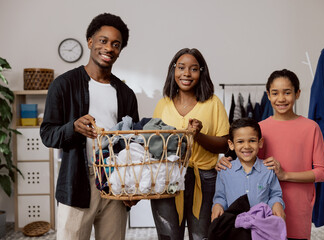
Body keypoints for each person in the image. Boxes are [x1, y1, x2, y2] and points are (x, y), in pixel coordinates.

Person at [40, 13, 139, 240]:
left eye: (116, 44)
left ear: (120, 50)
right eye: (103, 41)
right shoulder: (63, 85)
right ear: (90, 42)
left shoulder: (126, 94)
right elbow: (47, 134)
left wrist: (131, 186)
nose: (109, 48)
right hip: (77, 181)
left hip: (115, 182)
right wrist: (72, 128)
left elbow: (134, 144)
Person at [216, 69, 324, 240]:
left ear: (297, 94)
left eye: (287, 92)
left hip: (297, 205)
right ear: (268, 95)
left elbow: (322, 172)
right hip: (261, 209)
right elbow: (247, 158)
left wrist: (285, 175)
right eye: (275, 93)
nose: (281, 98)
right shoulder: (260, 128)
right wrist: (225, 161)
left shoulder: (311, 128)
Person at [150, 48, 230, 240]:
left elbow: (224, 145)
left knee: (202, 236)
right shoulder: (164, 104)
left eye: (193, 69)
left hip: (204, 178)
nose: (186, 73)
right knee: (168, 236)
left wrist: (198, 135)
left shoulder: (213, 103)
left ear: (201, 72)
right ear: (173, 70)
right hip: (168, 177)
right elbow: (153, 144)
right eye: (181, 68)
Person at [211, 118, 285, 222]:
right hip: (233, 226)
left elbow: (275, 195)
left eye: (252, 141)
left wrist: (277, 204)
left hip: (261, 225)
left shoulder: (268, 169)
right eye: (240, 141)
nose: (246, 146)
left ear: (260, 142)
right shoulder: (224, 170)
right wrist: (218, 205)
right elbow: (220, 196)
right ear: (231, 144)